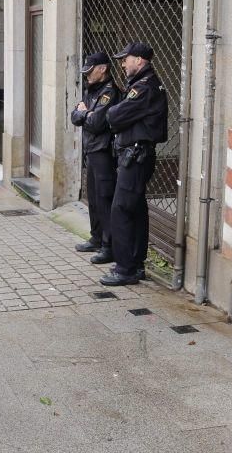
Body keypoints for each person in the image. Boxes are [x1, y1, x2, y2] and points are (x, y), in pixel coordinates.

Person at [101, 42, 169, 286]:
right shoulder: (142, 85)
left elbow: (113, 115)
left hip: (136, 156)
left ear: (139, 60)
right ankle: (135, 264)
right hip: (136, 155)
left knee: (121, 210)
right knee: (136, 210)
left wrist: (114, 114)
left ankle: (126, 268)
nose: (122, 63)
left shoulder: (144, 87)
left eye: (125, 59)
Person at [70, 52, 119, 262]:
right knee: (93, 197)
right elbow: (74, 116)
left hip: (104, 151)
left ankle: (109, 246)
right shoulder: (91, 90)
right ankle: (96, 237)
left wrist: (85, 114)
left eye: (90, 71)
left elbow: (98, 122)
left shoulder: (110, 92)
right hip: (91, 149)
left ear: (102, 68)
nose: (87, 75)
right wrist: (85, 113)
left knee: (104, 198)